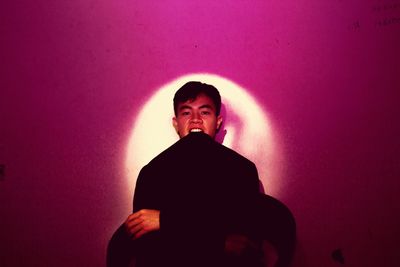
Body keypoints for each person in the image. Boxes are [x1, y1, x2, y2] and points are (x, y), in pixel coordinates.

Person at [107, 81, 264, 267]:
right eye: (186, 112)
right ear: (176, 123)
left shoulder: (242, 170)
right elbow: (150, 250)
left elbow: (243, 246)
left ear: (218, 122)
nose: (196, 119)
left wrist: (166, 221)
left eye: (205, 112)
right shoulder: (153, 173)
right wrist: (217, 240)